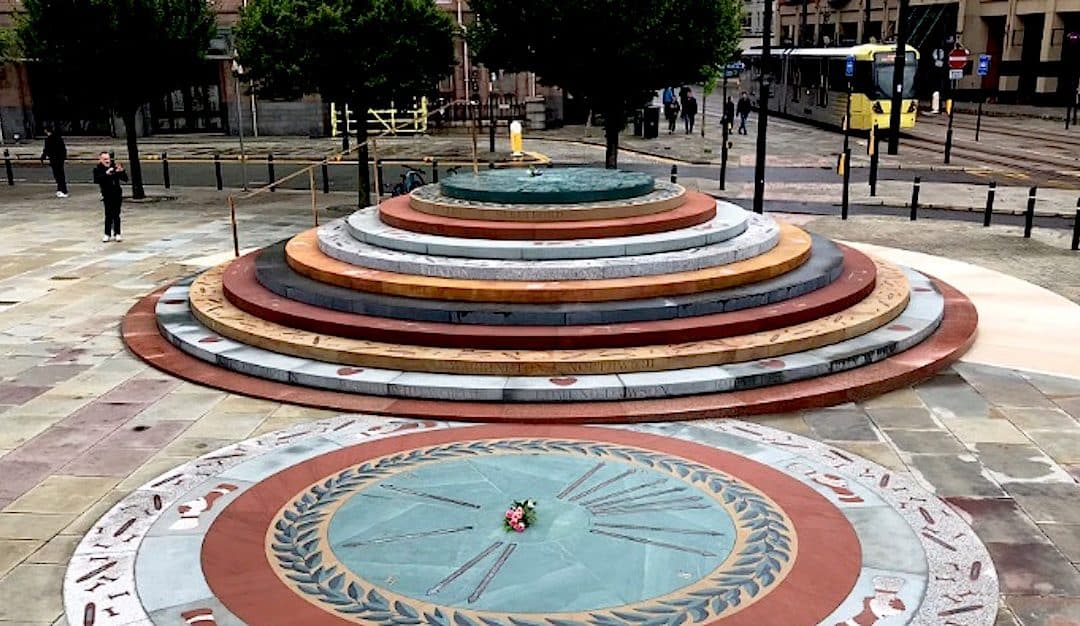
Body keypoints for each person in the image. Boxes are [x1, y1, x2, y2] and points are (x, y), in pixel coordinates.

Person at [93, 151, 128, 242]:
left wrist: (121, 171)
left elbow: (125, 179)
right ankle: (107, 233)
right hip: (107, 194)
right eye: (104, 159)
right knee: (108, 214)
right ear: (100, 160)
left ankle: (117, 233)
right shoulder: (98, 169)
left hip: (117, 193)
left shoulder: (114, 167)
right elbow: (97, 180)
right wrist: (106, 174)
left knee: (116, 214)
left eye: (108, 159)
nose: (107, 161)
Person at [40, 126, 68, 198]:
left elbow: (46, 149)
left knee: (57, 175)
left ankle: (62, 190)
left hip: (54, 159)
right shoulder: (59, 138)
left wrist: (43, 157)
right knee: (61, 174)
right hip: (60, 159)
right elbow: (63, 148)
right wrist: (64, 157)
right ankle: (61, 189)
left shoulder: (48, 139)